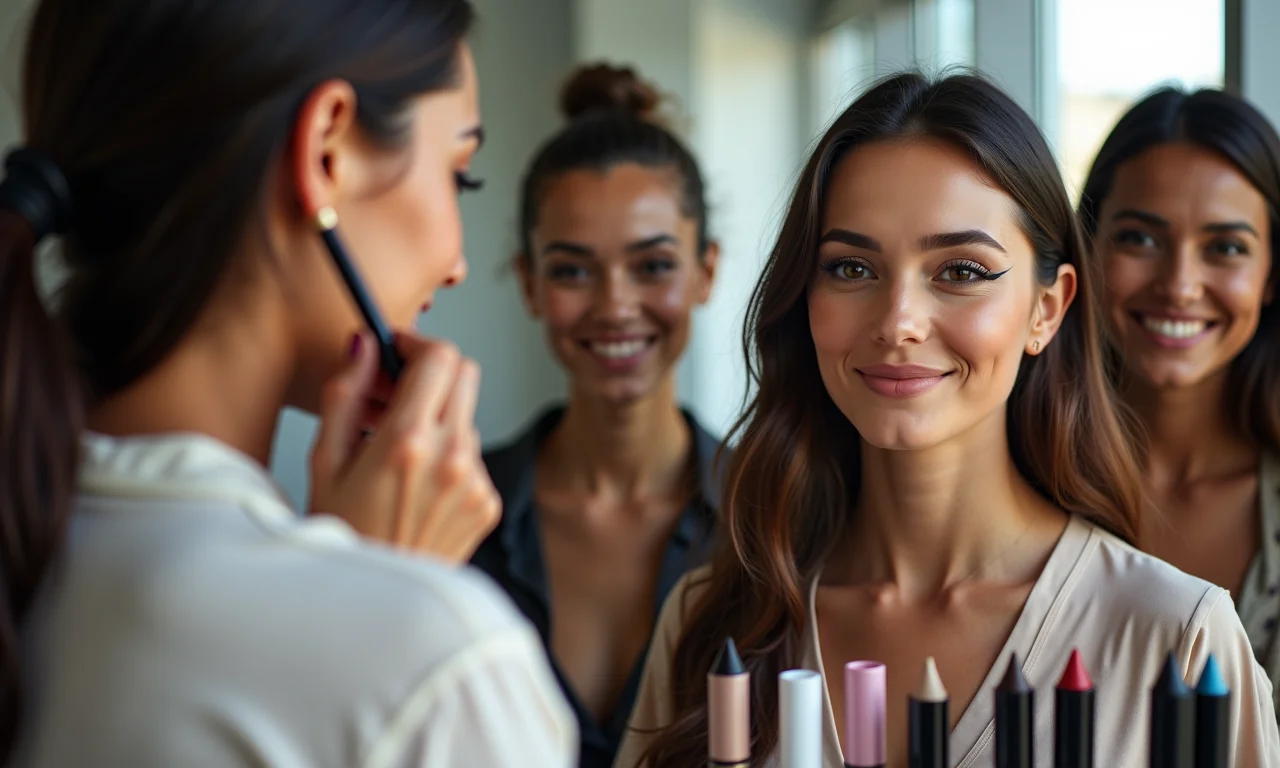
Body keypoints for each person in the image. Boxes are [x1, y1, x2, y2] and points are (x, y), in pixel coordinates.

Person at [613, 72, 1280, 768]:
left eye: (960, 271)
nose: (898, 322)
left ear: (1047, 310)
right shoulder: (709, 622)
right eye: (850, 268)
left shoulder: (1178, 640)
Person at [0, 1, 575, 765]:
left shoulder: (31, 545)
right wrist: (383, 608)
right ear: (327, 151)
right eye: (457, 172)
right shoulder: (443, 666)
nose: (458, 262)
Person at [471, 63, 724, 768]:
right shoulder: (455, 517)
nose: (615, 305)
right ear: (528, 283)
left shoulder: (777, 518)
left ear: (707, 271)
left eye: (652, 266)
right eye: (573, 270)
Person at [1078, 88, 1280, 706]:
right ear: (1088, 248)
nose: (1179, 286)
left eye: (1225, 248)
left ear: (1272, 275)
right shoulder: (1018, 475)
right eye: (1140, 238)